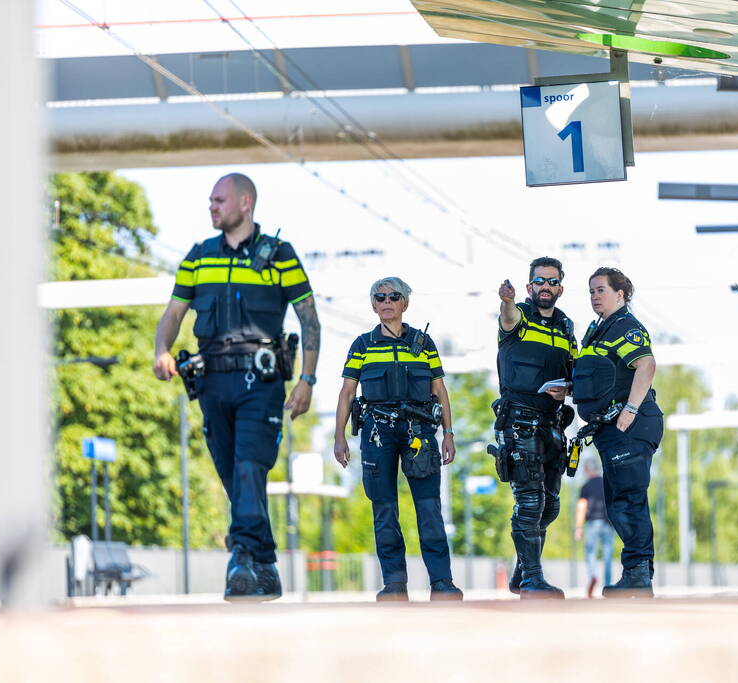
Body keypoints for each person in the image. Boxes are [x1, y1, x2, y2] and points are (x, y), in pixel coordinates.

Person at [153, 173, 320, 602]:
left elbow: (309, 318)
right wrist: (162, 350)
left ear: (245, 203)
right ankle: (265, 565)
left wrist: (306, 379)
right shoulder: (197, 256)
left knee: (249, 466)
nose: (212, 207)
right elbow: (174, 313)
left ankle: (242, 558)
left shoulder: (279, 255)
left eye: (219, 200)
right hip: (211, 381)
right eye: (210, 201)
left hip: (260, 382)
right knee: (233, 476)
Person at [333, 277, 463, 602]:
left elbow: (439, 389)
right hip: (378, 433)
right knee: (384, 509)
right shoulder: (362, 345)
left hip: (419, 432)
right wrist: (339, 437)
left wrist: (448, 433)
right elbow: (347, 392)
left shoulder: (424, 342)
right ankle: (394, 584)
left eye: (394, 296)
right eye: (380, 297)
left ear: (405, 303)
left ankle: (442, 583)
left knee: (429, 508)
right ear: (373, 305)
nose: (386, 301)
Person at [572, 267, 663, 597]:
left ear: (621, 294)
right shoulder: (598, 332)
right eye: (591, 291)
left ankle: (638, 575)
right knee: (619, 502)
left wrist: (630, 409)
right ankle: (635, 573)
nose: (595, 296)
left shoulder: (624, 326)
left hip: (630, 425)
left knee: (628, 499)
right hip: (611, 429)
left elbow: (646, 365)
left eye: (601, 290)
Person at [494, 257, 577, 599]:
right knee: (529, 502)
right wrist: (507, 301)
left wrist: (569, 389)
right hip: (519, 422)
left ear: (560, 287)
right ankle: (532, 578)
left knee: (551, 505)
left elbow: (576, 371)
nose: (546, 286)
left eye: (552, 281)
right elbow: (508, 317)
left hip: (553, 425)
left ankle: (522, 572)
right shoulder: (520, 316)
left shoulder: (567, 326)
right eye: (540, 281)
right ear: (530, 287)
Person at [574, 459, 614, 598]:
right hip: (608, 523)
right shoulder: (607, 483)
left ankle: (593, 575)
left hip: (592, 523)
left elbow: (582, 507)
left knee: (590, 552)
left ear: (587, 470)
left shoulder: (586, 486)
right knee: (607, 555)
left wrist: (578, 527)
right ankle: (608, 586)